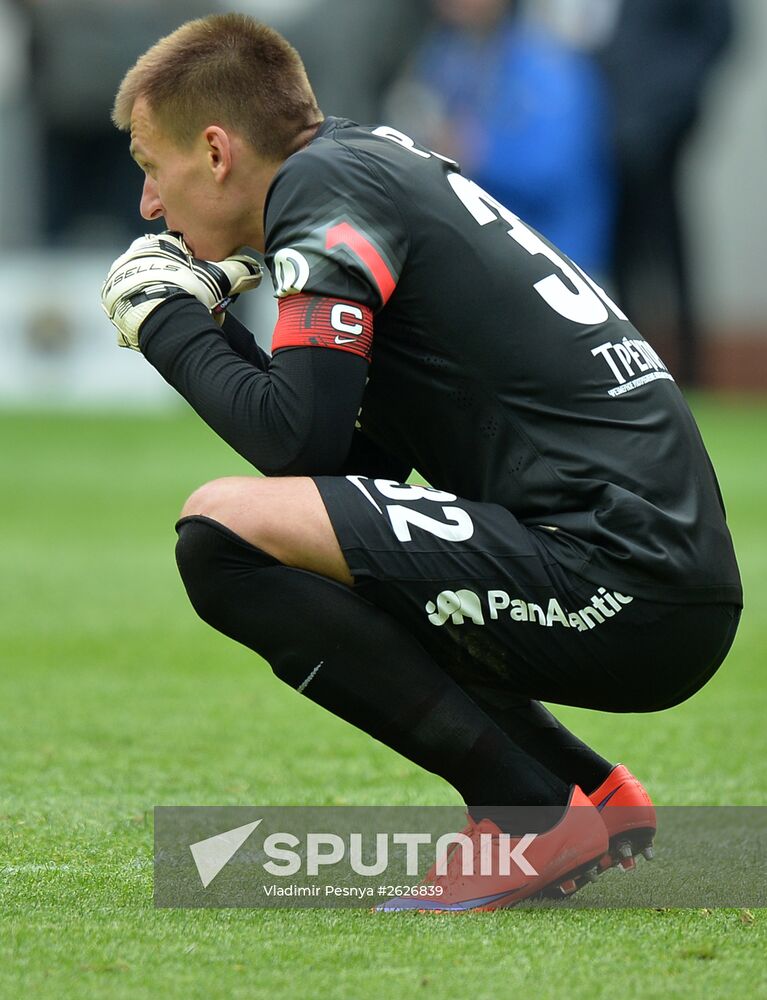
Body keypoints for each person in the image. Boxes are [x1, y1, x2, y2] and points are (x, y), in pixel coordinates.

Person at [101, 13, 742, 912]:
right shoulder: (356, 165)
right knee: (287, 537)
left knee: (218, 533)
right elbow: (336, 463)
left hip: (625, 581)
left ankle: (526, 815)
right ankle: (581, 791)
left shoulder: (321, 192)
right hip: (656, 576)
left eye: (149, 165)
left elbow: (297, 446)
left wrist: (167, 324)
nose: (148, 205)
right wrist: (208, 333)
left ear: (215, 151)